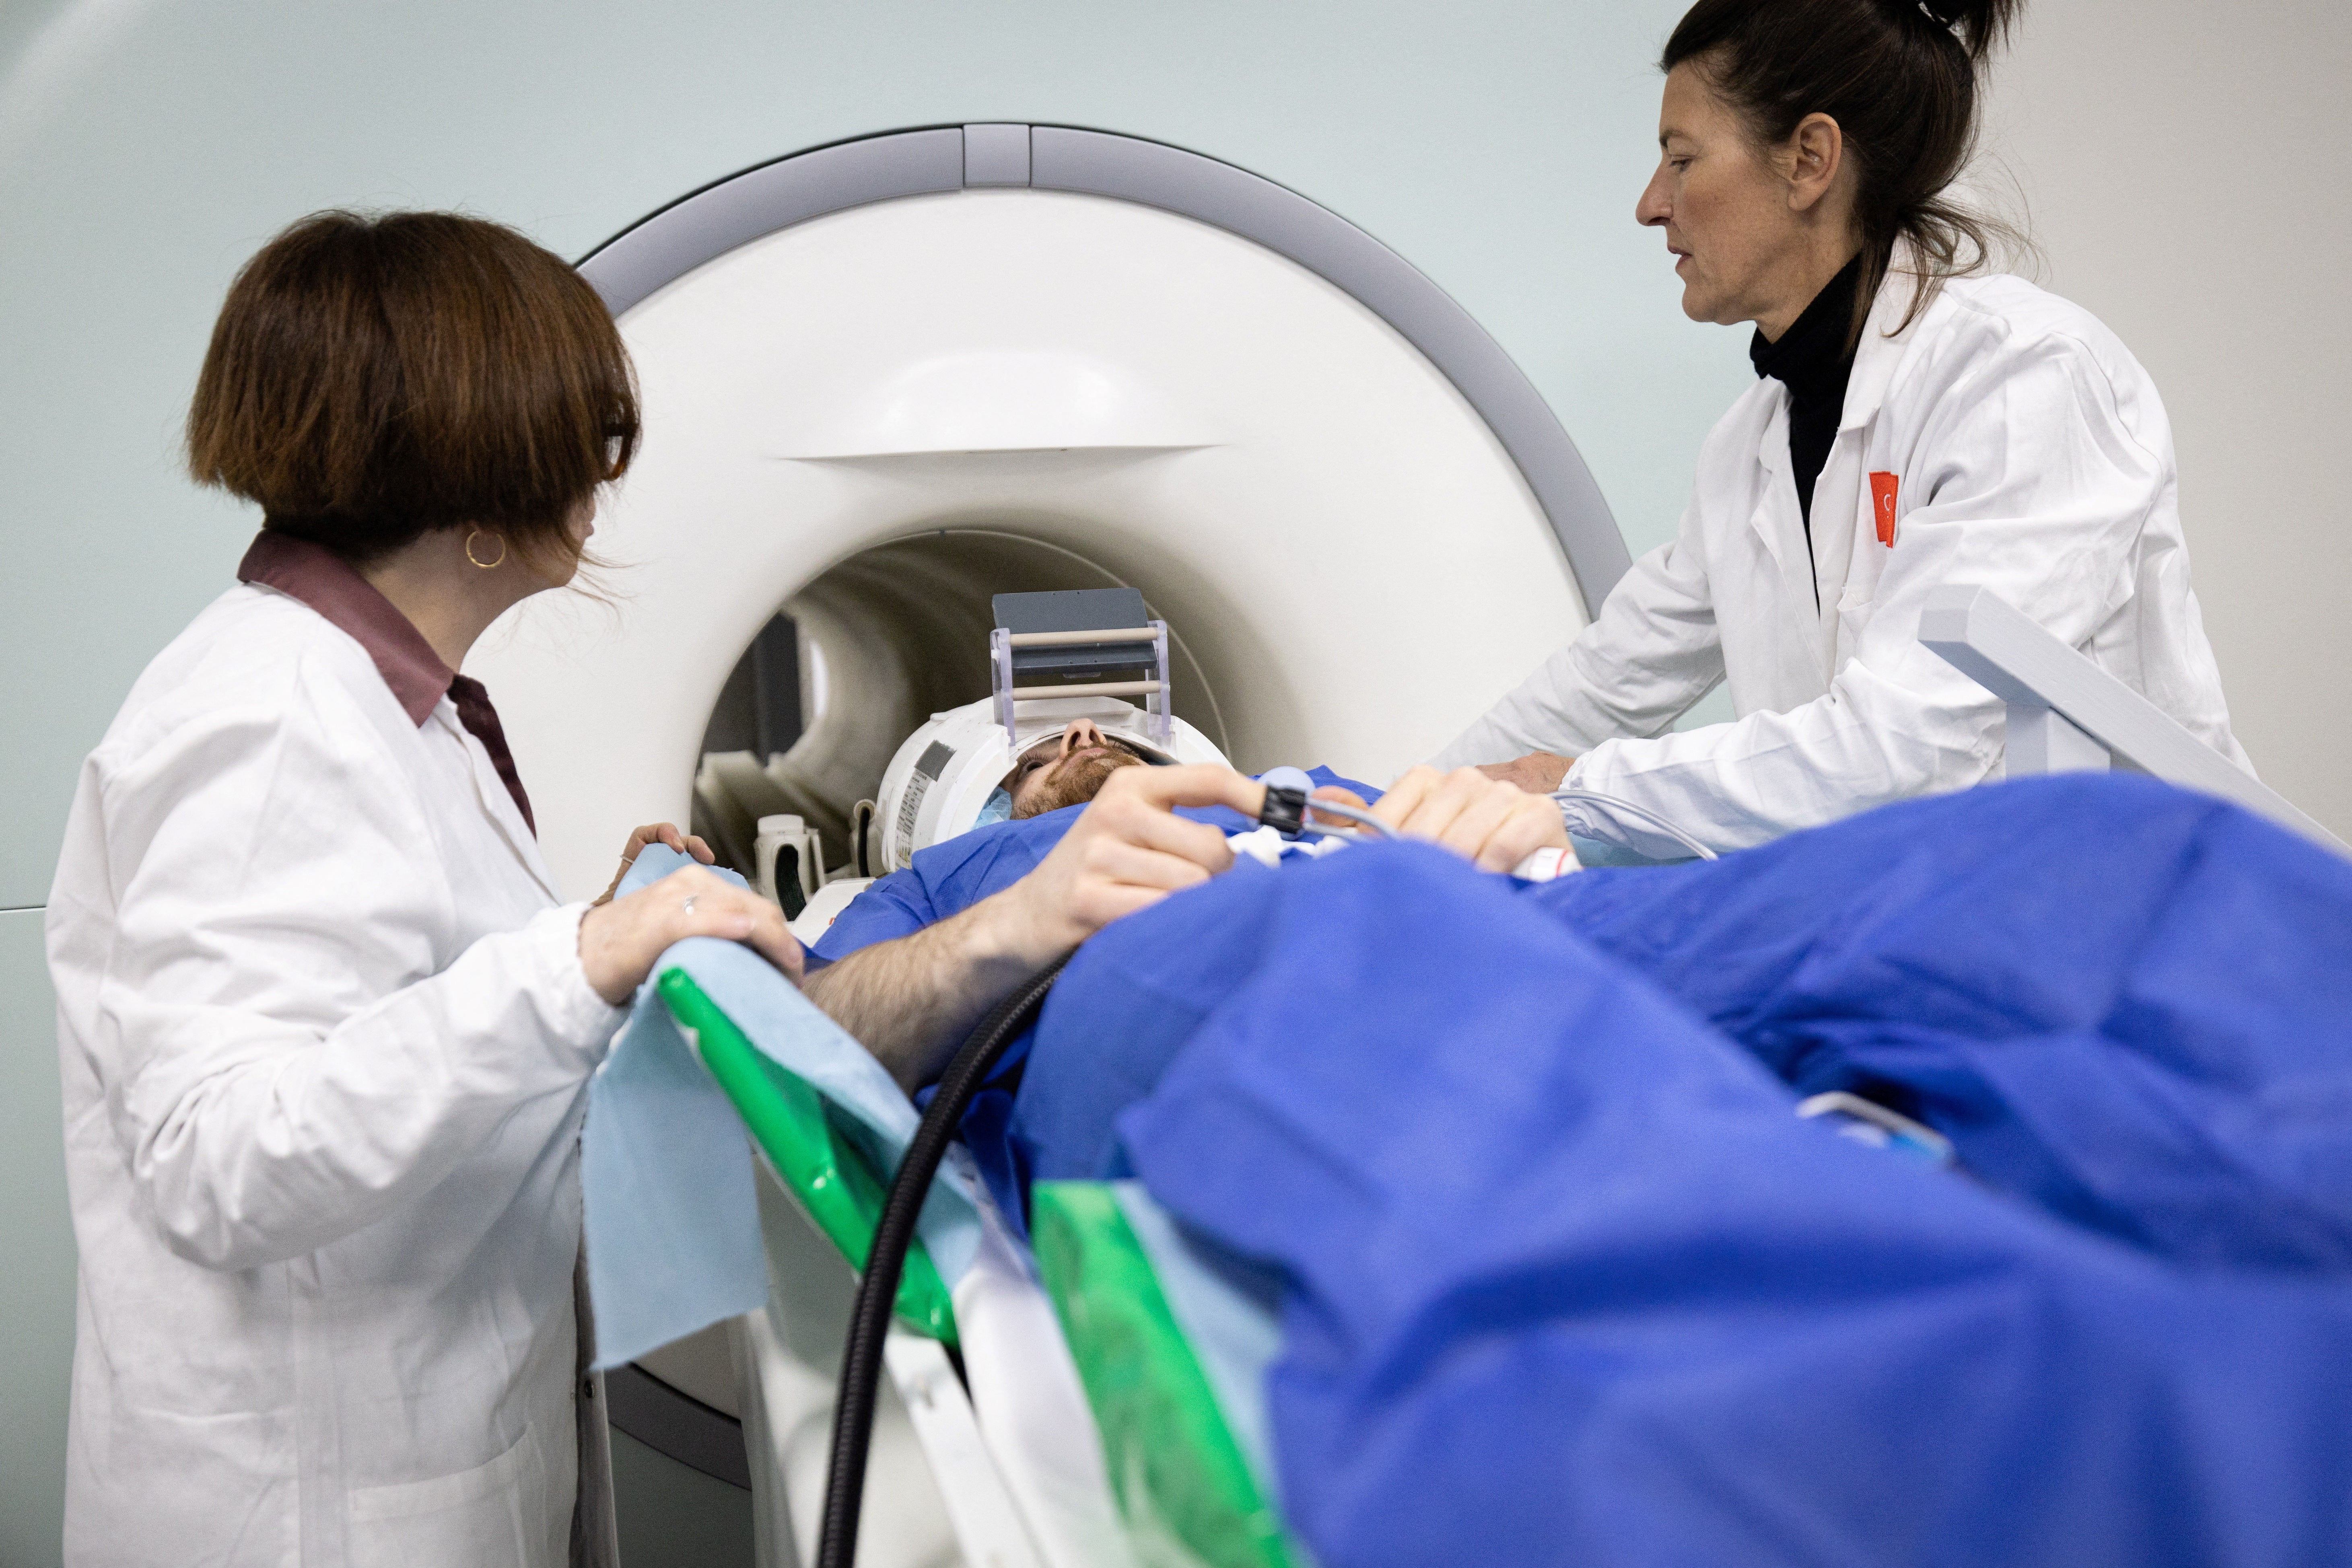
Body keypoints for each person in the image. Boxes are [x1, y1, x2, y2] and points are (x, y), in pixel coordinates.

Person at [46, 208, 1564, 1567]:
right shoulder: (263, 721)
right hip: (315, 1504)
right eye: (582, 431)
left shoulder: (399, 702)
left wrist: (610, 917)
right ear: (480, 486)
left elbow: (388, 995)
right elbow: (219, 1156)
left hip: (430, 1427)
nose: (604, 470)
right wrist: (577, 958)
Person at [1437, 0, 2250, 853]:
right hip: (1934, 908)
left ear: (1810, 161)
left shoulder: (2026, 377)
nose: (1651, 204)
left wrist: (1566, 787)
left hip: (2153, 919)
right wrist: (1386, 812)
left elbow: (1905, 747)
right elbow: (1606, 678)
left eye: (1682, 160)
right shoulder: (1751, 444)